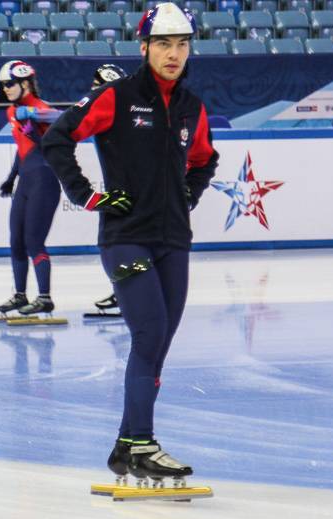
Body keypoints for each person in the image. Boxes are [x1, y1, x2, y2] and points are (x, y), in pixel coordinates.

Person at [42, 3, 219, 486]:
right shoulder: (116, 97)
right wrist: (87, 195)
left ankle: (128, 445)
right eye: (163, 44)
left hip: (173, 241)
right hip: (125, 240)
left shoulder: (191, 106)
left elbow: (205, 159)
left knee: (157, 344)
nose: (173, 53)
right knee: (149, 332)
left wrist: (189, 193)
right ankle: (142, 443)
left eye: (182, 44)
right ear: (144, 48)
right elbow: (57, 139)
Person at [0, 60, 63, 318]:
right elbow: (23, 150)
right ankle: (20, 294)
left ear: (25, 83)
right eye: (3, 85)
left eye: (10, 84)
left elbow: (62, 118)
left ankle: (45, 298)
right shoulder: (11, 112)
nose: (6, 89)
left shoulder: (39, 107)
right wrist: (12, 177)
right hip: (25, 180)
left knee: (35, 241)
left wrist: (35, 116)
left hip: (44, 181)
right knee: (16, 241)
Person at [86, 63, 129, 318]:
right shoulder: (114, 111)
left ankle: (129, 294)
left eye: (95, 85)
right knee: (112, 245)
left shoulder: (114, 113)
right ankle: (125, 292)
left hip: (125, 192)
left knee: (113, 244)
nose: (91, 90)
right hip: (120, 189)